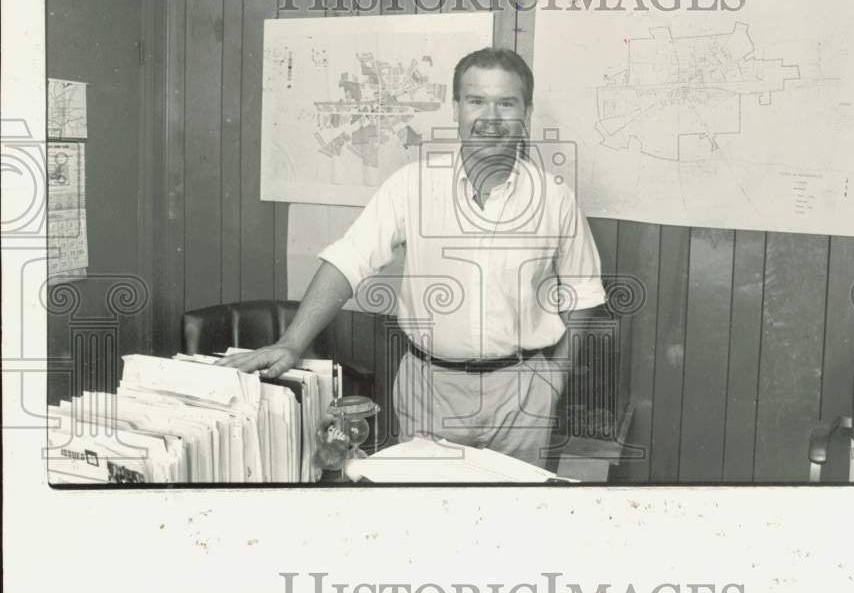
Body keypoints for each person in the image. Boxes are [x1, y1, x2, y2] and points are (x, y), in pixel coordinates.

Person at [218, 47, 606, 468]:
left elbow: (583, 293)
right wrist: (292, 342)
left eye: (506, 103)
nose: (490, 117)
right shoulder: (411, 185)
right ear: (457, 108)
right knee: (424, 513)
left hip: (520, 393)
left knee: (512, 516)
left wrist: (556, 378)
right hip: (429, 387)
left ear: (526, 113)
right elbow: (349, 260)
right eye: (476, 100)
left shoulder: (555, 199)